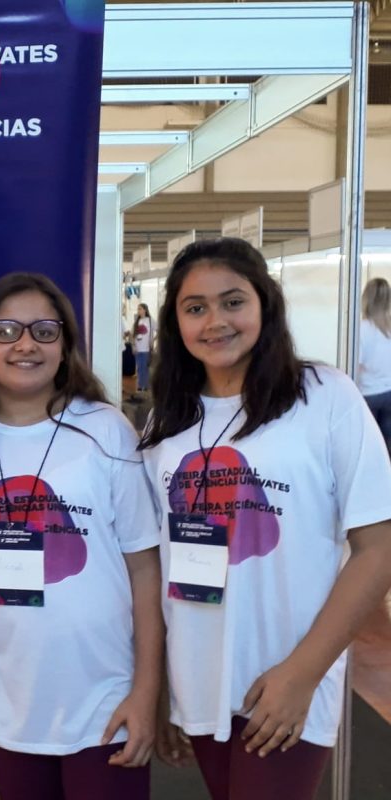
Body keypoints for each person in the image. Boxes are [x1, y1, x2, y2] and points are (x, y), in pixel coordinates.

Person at [139, 237, 391, 800]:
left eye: (233, 302)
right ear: (175, 321)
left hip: (286, 677)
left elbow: (379, 548)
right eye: (195, 307)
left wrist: (304, 673)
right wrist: (162, 691)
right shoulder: (167, 421)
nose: (215, 321)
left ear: (265, 304)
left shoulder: (324, 397)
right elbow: (156, 563)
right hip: (198, 677)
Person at [0, 272, 163, 800]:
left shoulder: (105, 430)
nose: (25, 344)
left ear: (64, 346)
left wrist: (146, 692)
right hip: (7, 695)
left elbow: (144, 568)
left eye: (44, 330)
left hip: (104, 697)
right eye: (6, 331)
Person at [358, 277, 391, 451]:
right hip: (389, 392)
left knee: (371, 447)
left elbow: (356, 365)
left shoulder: (361, 329)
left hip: (368, 395)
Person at [132, 303, 153, 393]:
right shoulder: (137, 320)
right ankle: (140, 386)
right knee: (139, 368)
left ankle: (146, 386)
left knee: (145, 367)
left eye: (140, 309)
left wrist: (153, 340)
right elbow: (133, 334)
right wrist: (133, 346)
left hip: (146, 348)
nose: (138, 311)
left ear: (145, 310)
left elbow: (159, 329)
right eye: (138, 309)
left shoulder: (150, 320)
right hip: (138, 348)